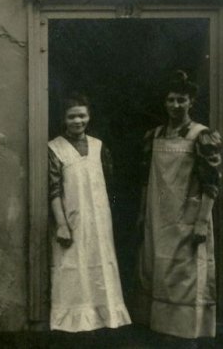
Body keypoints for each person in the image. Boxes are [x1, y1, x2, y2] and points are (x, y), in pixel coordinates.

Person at [133, 70, 221, 342]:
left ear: (191, 101)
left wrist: (202, 222)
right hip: (158, 218)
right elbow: (146, 178)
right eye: (171, 100)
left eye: (181, 100)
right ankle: (160, 333)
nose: (175, 105)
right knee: (156, 273)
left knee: (186, 277)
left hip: (188, 218)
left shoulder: (202, 136)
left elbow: (211, 184)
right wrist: (141, 214)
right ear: (164, 102)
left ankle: (187, 337)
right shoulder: (155, 135)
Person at [48, 93, 131, 336]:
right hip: (72, 218)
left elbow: (110, 184)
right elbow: (53, 190)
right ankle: (74, 324)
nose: (77, 121)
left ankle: (103, 321)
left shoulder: (99, 146)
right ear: (64, 119)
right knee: (72, 267)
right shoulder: (55, 149)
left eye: (82, 115)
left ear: (89, 116)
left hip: (99, 219)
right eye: (72, 116)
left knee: (100, 263)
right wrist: (62, 224)